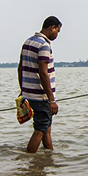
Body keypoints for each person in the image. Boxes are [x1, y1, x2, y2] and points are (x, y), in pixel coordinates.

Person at [20, 16, 62, 153]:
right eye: (58, 31)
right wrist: (51, 100)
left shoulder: (28, 42)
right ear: (52, 28)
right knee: (39, 130)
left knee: (46, 128)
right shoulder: (44, 45)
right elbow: (43, 73)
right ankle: (30, 162)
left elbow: (20, 68)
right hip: (41, 97)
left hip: (30, 94)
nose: (57, 34)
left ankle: (49, 156)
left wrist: (23, 90)